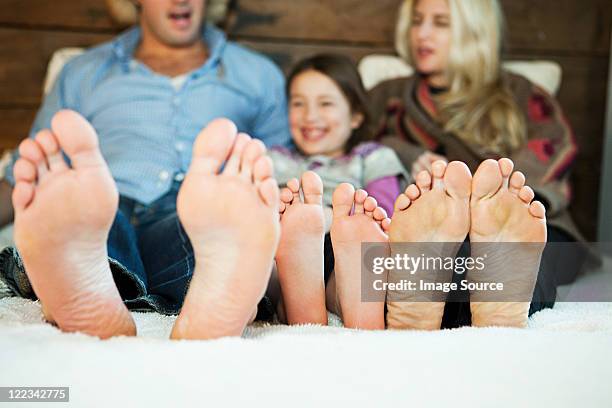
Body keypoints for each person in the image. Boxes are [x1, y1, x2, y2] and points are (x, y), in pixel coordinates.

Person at [0, 0, 292, 338]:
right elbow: (24, 174)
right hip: (103, 201)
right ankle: (80, 280)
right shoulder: (82, 72)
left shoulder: (258, 74)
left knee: (203, 236)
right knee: (92, 227)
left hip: (198, 208)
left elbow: (282, 168)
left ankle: (216, 283)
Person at [368, 0, 584, 330]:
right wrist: (404, 153)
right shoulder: (388, 97)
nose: (422, 34)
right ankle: (432, 304)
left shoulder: (520, 94)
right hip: (428, 223)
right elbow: (349, 146)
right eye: (417, 21)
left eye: (440, 23)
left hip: (522, 217)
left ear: (475, 31)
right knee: (374, 252)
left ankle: (491, 297)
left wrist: (493, 196)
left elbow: (550, 149)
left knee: (522, 256)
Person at [267, 55, 409, 326]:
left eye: (326, 103)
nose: (310, 116)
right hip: (283, 246)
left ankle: (334, 297)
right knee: (266, 259)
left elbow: (384, 212)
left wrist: (327, 218)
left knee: (360, 252)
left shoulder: (372, 157)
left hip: (342, 243)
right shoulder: (272, 158)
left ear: (355, 116)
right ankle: (294, 298)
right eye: (298, 103)